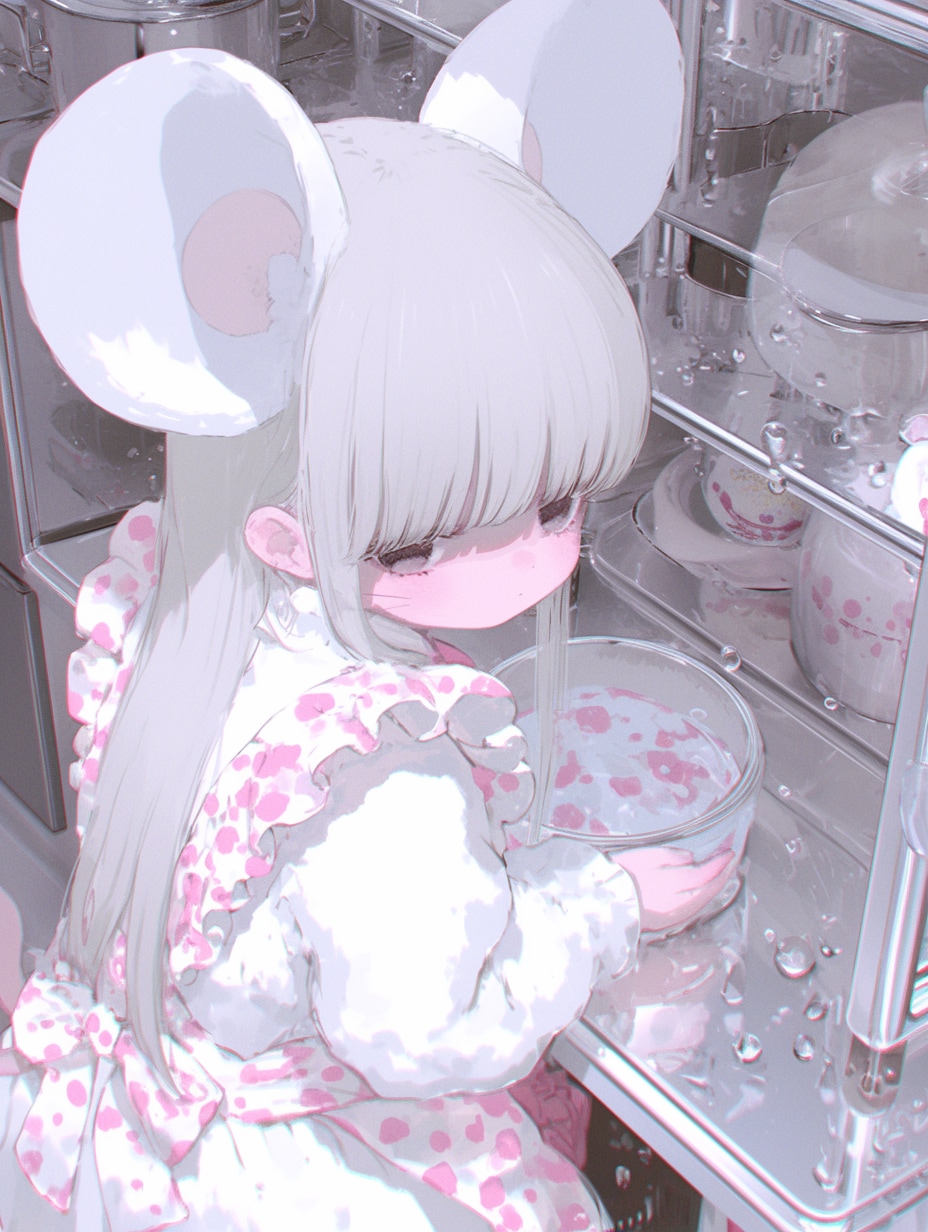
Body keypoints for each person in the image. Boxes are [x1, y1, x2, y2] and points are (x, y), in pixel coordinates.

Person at [0, 42, 731, 1232]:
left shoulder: (175, 600)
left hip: (120, 1118)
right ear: (289, 534)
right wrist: (599, 902)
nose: (536, 555)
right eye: (428, 538)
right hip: (275, 1173)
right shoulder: (384, 779)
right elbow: (426, 1029)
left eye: (557, 501)